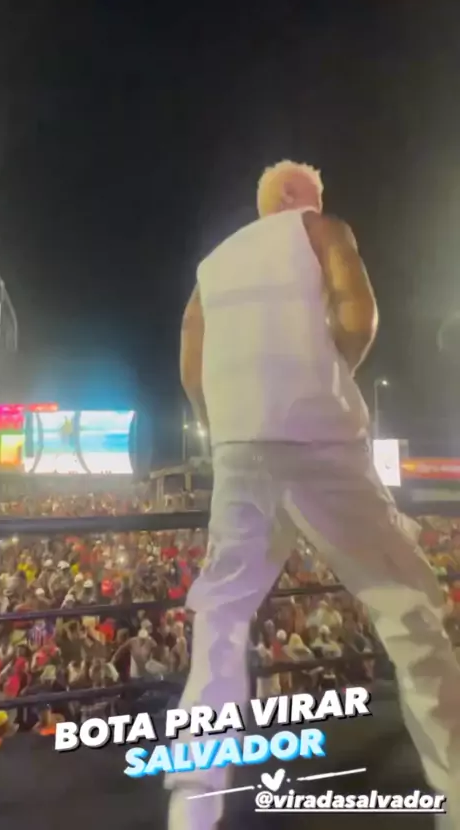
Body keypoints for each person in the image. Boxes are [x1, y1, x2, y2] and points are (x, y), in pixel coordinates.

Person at [167, 159, 460, 830]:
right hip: (319, 439)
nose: (319, 204)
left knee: (220, 620)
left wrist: (224, 425)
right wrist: (327, 377)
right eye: (316, 196)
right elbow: (360, 315)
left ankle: (193, 806)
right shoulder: (322, 230)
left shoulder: (214, 264)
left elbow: (190, 361)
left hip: (239, 450)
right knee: (408, 608)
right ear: (298, 196)